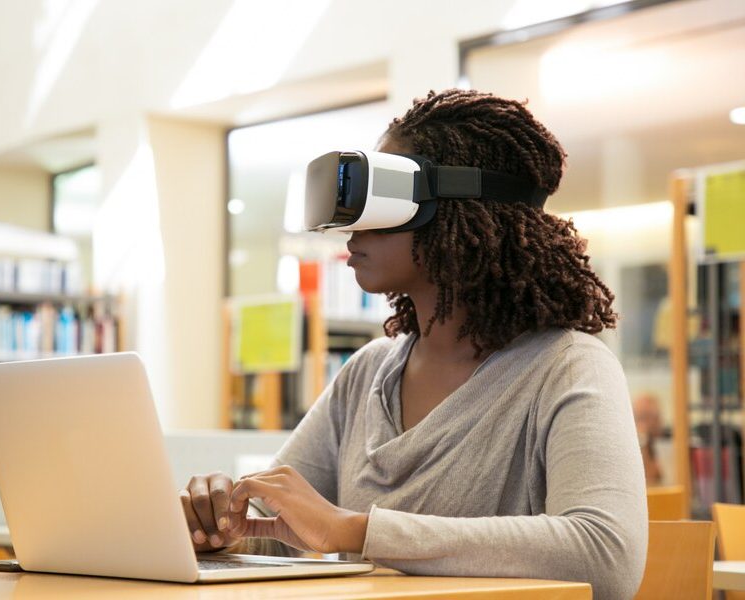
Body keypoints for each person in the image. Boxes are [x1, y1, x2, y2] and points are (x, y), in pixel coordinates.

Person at [180, 89, 647, 599]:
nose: (352, 228)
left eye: (382, 198)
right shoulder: (368, 373)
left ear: (459, 208)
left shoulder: (568, 367)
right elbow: (283, 528)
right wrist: (220, 525)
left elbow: (607, 554)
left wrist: (359, 531)